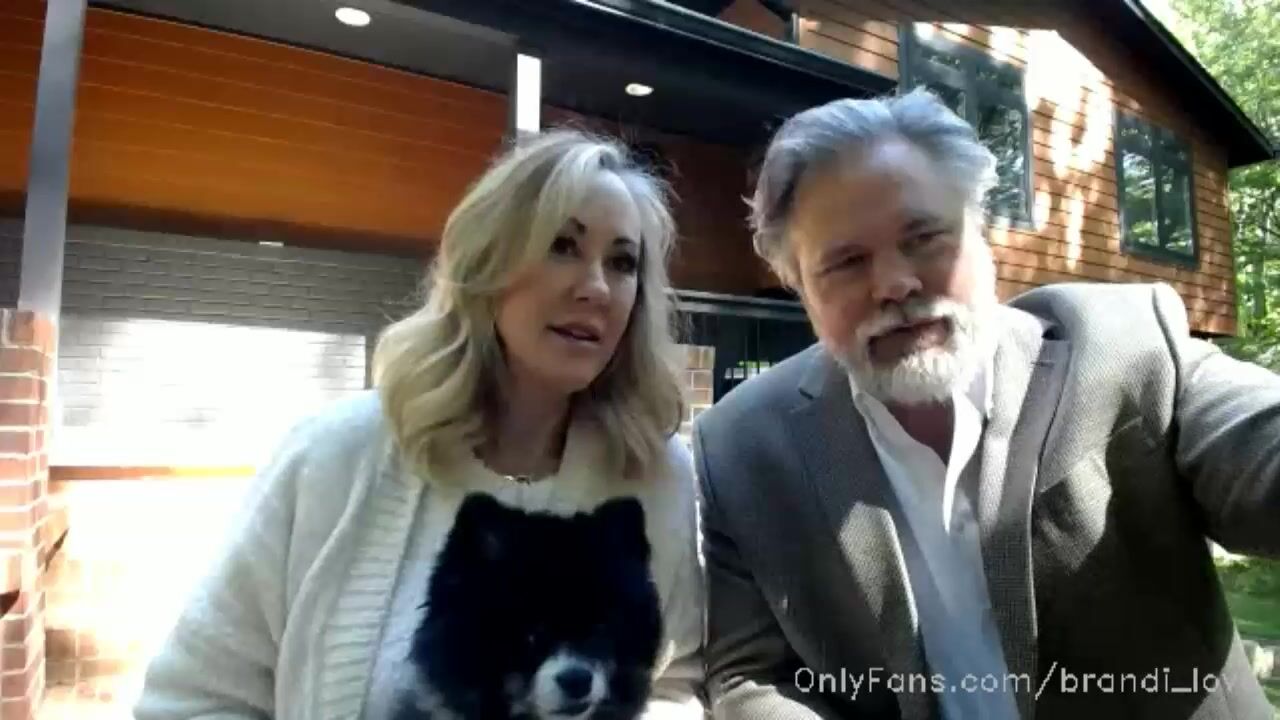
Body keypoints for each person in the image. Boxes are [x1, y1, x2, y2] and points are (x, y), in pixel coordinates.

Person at [691, 87, 1280, 720]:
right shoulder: (739, 447)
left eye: (924, 237)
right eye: (846, 262)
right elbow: (753, 675)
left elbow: (1260, 442)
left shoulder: (1126, 343)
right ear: (798, 286)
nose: (894, 283)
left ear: (982, 230)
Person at [133, 129, 705, 719]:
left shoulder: (656, 475)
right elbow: (191, 699)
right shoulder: (333, 456)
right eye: (563, 246)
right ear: (487, 262)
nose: (597, 288)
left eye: (622, 262)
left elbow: (674, 685)